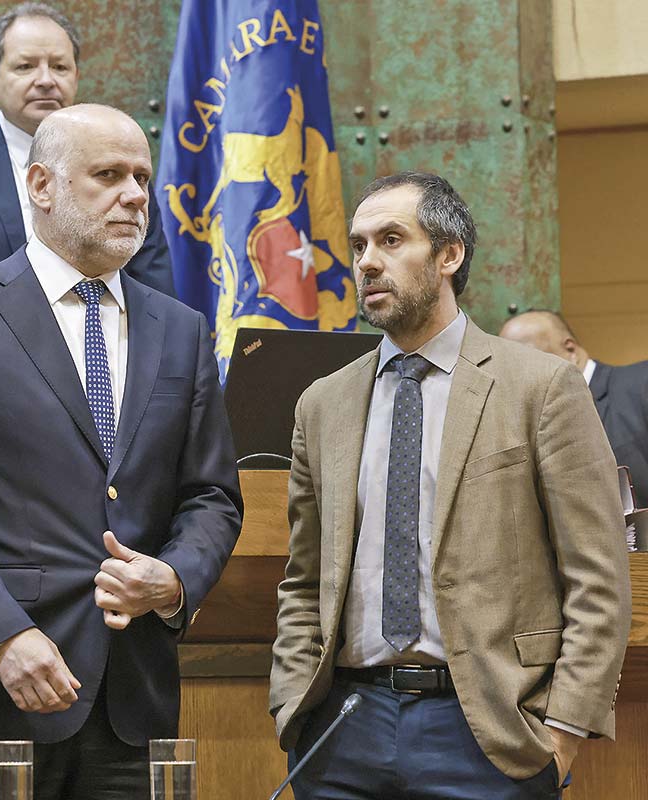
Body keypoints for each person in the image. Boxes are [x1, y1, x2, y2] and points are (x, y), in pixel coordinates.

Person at [0, 104, 242, 799]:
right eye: (108, 175)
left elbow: (211, 494)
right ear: (41, 186)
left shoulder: (181, 328)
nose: (134, 195)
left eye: (141, 178)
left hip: (132, 699)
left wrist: (174, 578)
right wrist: (1, 636)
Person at [269, 171, 631, 799]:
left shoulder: (541, 387)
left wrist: (565, 731)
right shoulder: (322, 404)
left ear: (449, 255)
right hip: (343, 729)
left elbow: (597, 578)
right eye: (358, 245)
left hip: (489, 732)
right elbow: (304, 577)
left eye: (391, 240)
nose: (367, 262)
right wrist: (291, 704)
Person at [0, 2, 176, 388]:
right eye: (26, 66)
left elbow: (155, 292)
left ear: (76, 76)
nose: (46, 80)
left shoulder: (122, 168)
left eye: (60, 67)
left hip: (103, 376)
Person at [500, 308, 648, 503]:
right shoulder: (527, 428)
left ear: (570, 350)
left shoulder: (641, 382)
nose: (517, 374)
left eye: (525, 360)